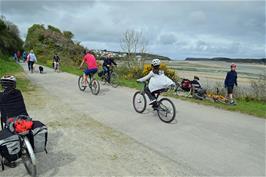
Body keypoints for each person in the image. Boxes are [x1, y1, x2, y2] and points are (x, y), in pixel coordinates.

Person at [0, 75, 28, 168]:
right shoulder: (18, 92)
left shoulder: (1, 96)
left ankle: (8, 160)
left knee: (7, 135)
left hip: (10, 121)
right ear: (14, 84)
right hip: (24, 118)